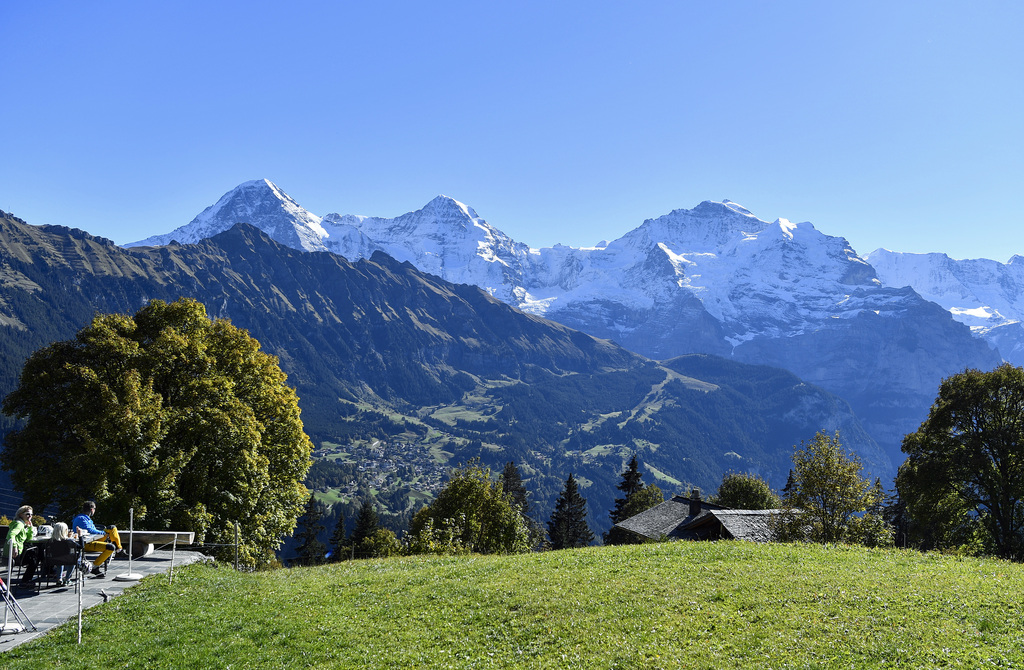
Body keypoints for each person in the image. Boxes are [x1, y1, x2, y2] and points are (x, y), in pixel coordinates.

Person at [72, 500, 125, 578]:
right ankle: (95, 566)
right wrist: (103, 533)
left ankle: (119, 549)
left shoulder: (85, 518)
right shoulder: (81, 519)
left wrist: (102, 533)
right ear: (91, 509)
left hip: (92, 539)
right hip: (86, 543)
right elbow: (90, 530)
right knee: (110, 548)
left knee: (112, 528)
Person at [5, 505, 39, 587]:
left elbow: (28, 538)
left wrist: (30, 528)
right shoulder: (19, 524)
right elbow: (11, 535)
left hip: (16, 551)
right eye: (27, 514)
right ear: (20, 514)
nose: (30, 516)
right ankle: (25, 581)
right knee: (35, 559)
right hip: (14, 554)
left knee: (34, 556)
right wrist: (14, 547)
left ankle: (26, 580)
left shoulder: (23, 524)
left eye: (31, 514)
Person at [46, 522, 81, 587]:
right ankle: (67, 578)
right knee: (75, 557)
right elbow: (81, 546)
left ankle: (59, 579)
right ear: (65, 531)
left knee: (59, 561)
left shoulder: (50, 541)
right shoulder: (69, 541)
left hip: (53, 559)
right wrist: (80, 535)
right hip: (69, 560)